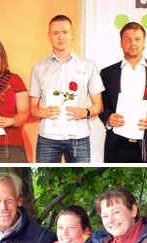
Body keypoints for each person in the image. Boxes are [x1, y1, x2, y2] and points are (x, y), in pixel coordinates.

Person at [29, 14, 104, 163]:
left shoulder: (88, 66)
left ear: (72, 34)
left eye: (65, 32)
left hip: (79, 138)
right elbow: (32, 108)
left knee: (81, 180)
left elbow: (99, 106)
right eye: (55, 33)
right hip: (48, 138)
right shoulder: (39, 68)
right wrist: (42, 112)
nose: (60, 37)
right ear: (49, 36)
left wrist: (85, 112)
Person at [100, 22, 147, 163]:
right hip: (117, 143)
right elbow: (103, 105)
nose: (132, 43)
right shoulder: (108, 73)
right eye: (128, 39)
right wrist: (108, 118)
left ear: (144, 42)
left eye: (137, 39)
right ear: (121, 42)